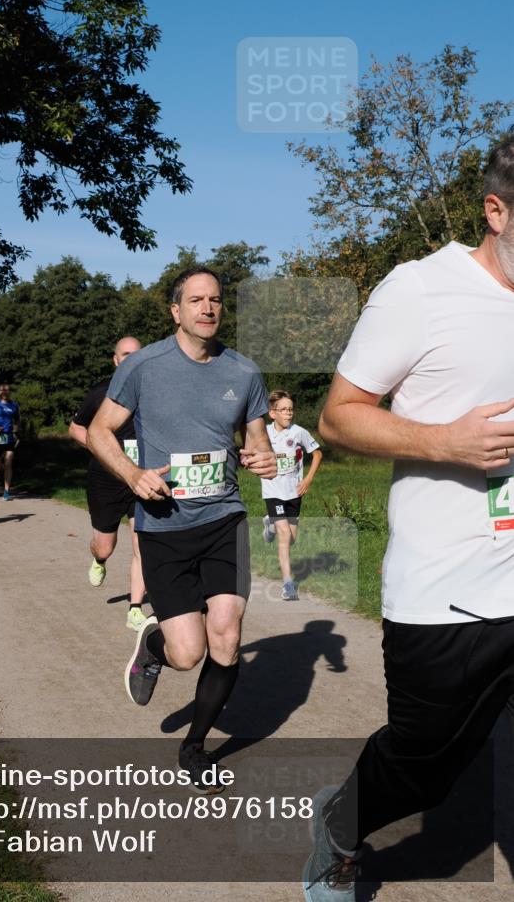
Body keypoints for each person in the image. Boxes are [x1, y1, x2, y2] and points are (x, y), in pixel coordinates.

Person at [302, 133, 514, 901]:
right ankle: (340, 825)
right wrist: (446, 442)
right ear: (496, 210)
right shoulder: (421, 290)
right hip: (448, 594)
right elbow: (339, 417)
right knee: (426, 768)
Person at [87, 266, 277, 790]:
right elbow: (101, 430)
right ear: (176, 310)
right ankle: (153, 648)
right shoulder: (144, 367)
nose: (208, 308)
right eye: (196, 300)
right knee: (187, 653)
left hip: (223, 518)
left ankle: (195, 746)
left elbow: (258, 441)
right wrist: (131, 473)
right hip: (165, 525)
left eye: (215, 299)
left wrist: (263, 460)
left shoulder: (244, 372)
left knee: (227, 638)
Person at [69, 336, 148, 631]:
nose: (130, 359)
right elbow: (76, 428)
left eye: (136, 355)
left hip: (142, 479)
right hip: (106, 480)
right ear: (115, 360)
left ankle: (136, 608)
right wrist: (102, 450)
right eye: (125, 355)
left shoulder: (154, 393)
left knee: (143, 543)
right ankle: (99, 560)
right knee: (105, 546)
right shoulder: (101, 393)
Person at [261, 390, 322, 600]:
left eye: (290, 409)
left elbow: (317, 453)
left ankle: (269, 523)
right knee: (285, 535)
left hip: (294, 492)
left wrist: (308, 479)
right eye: (284, 410)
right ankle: (288, 585)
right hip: (273, 491)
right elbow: (253, 453)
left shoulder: (299, 432)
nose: (288, 413)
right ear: (272, 413)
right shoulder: (264, 433)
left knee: (291, 538)